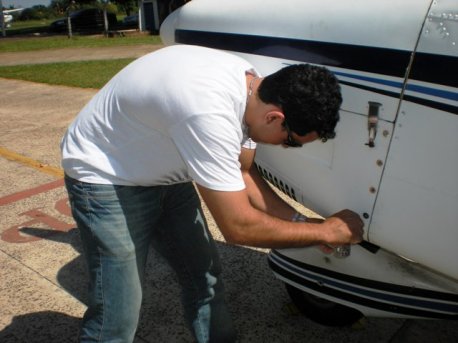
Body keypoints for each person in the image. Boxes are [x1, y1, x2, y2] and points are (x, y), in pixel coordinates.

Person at [61, 44, 364, 343]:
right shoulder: (208, 111)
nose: (285, 147)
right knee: (119, 310)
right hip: (104, 176)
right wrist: (325, 232)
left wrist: (306, 224)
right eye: (291, 141)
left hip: (166, 174)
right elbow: (238, 226)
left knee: (204, 279)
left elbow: (244, 172)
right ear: (274, 118)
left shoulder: (253, 87)